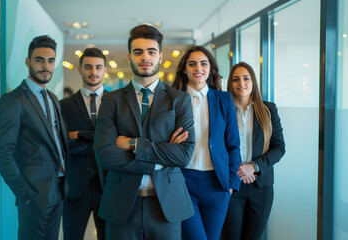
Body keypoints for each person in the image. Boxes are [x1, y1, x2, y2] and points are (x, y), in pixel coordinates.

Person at [93, 24, 196, 240]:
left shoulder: (179, 100)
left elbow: (184, 155)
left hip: (166, 205)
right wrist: (163, 156)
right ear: (129, 56)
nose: (145, 57)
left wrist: (133, 145)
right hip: (120, 205)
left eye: (151, 51)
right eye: (138, 52)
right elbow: (105, 155)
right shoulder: (111, 100)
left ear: (160, 57)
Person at [0, 35, 68, 240]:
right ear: (28, 62)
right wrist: (24, 194)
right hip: (34, 196)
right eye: (39, 60)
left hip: (59, 190)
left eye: (51, 60)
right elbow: (2, 153)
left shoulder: (53, 98)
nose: (46, 66)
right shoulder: (13, 101)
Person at [172, 46, 241, 240]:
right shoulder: (173, 99)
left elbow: (233, 144)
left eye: (203, 63)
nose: (198, 68)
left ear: (210, 68)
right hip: (183, 181)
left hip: (217, 183)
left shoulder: (224, 99)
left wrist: (231, 185)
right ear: (184, 69)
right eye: (192, 64)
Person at [221, 62, 285, 240]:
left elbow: (279, 147)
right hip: (232, 185)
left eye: (246, 78)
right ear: (230, 84)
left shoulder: (268, 110)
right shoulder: (223, 110)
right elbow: (216, 148)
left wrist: (253, 166)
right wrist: (237, 170)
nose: (241, 83)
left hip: (261, 187)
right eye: (236, 79)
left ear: (253, 82)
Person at [59, 47, 107, 240]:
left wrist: (78, 135)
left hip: (109, 185)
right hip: (75, 186)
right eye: (88, 67)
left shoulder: (117, 102)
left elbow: (116, 141)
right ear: (79, 69)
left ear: (105, 70)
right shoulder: (63, 106)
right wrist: (101, 141)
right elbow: (63, 145)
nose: (93, 72)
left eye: (98, 67)